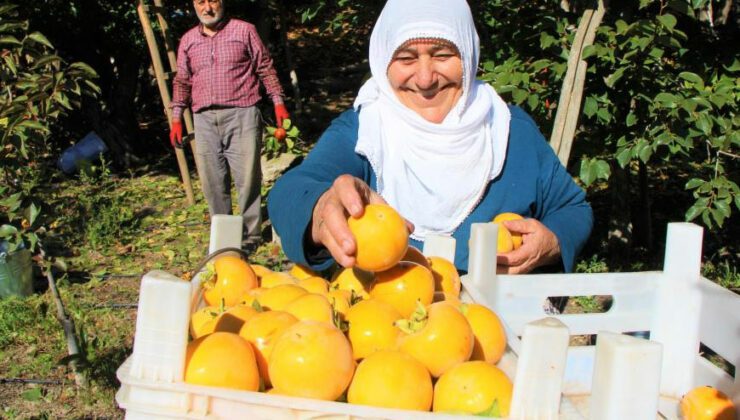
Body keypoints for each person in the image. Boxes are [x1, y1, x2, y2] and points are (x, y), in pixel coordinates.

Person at [267, 0, 593, 274]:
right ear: (382, 62)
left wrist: (553, 240)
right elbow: (290, 193)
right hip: (385, 333)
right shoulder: (364, 132)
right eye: (406, 58)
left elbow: (571, 208)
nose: (425, 80)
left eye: (442, 55)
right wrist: (320, 209)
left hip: (495, 332)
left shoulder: (509, 130)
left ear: (468, 55)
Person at [170, 0, 289, 248]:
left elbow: (265, 68)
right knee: (212, 181)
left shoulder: (244, 31)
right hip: (203, 119)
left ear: (222, 2)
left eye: (212, 1)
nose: (207, 8)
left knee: (247, 178)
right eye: (201, 2)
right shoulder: (188, 40)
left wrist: (278, 102)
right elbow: (182, 81)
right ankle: (224, 240)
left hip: (242, 113)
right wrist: (176, 117)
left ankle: (250, 238)